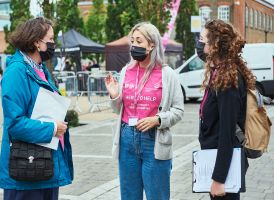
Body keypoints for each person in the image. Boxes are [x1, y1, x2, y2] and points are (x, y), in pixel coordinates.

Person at [104, 22, 184, 200]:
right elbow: (118, 109)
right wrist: (115, 96)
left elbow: (178, 110)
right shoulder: (126, 71)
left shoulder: (167, 74)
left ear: (152, 44)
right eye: (132, 41)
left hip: (153, 139)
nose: (134, 45)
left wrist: (157, 119)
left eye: (139, 41)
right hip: (127, 138)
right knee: (129, 195)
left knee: (157, 195)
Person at [0, 17, 73, 200]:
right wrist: (53, 128)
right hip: (25, 168)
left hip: (43, 164)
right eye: (50, 39)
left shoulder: (39, 69)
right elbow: (14, 123)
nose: (53, 44)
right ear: (36, 42)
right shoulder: (17, 72)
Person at [197, 19, 256, 200]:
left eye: (202, 40)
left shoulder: (227, 80)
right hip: (215, 158)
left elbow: (227, 132)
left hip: (223, 165)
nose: (199, 45)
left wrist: (218, 178)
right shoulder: (220, 72)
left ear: (214, 45)